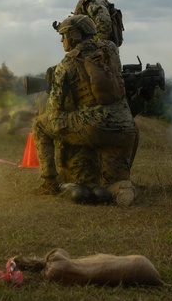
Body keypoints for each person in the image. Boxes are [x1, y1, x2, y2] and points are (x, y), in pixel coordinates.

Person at [32, 15, 137, 206]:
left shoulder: (66, 64)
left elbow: (54, 109)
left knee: (40, 124)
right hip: (124, 129)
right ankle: (122, 188)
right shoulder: (110, 50)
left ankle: (49, 182)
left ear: (74, 35)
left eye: (64, 35)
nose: (61, 40)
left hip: (94, 128)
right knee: (110, 182)